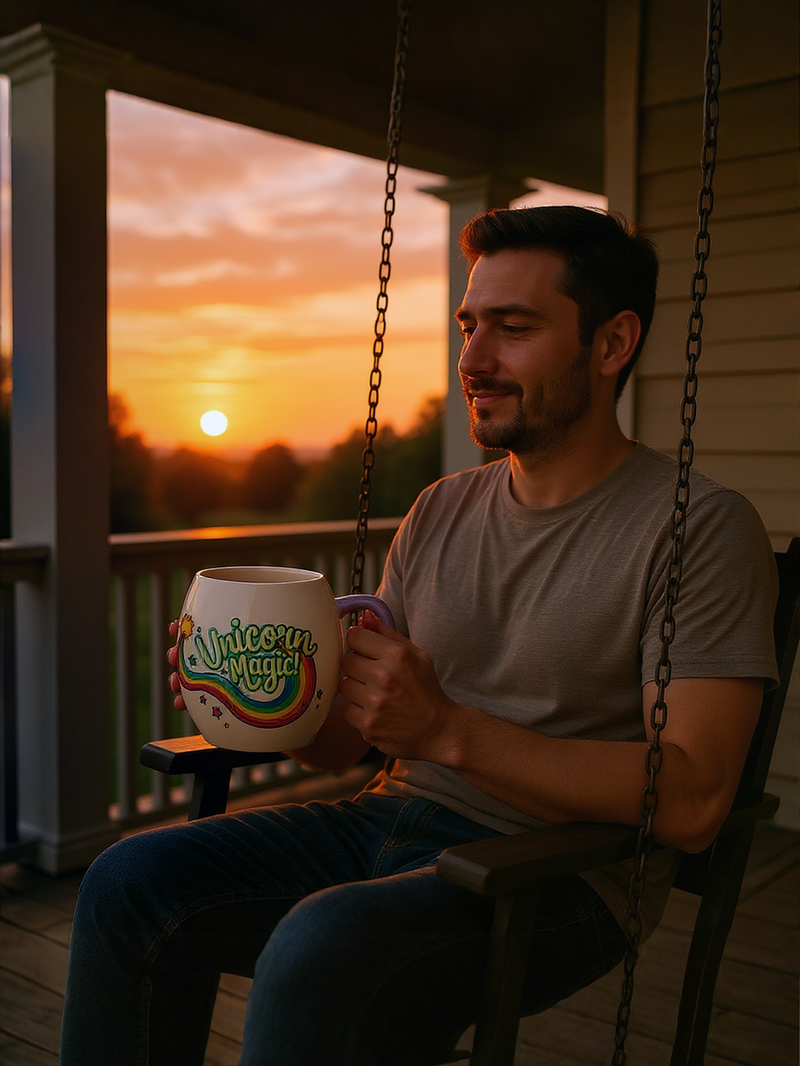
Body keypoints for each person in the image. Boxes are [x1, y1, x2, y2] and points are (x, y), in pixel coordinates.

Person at [60, 206, 779, 1066]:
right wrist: (258, 701)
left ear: (613, 343)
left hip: (557, 877)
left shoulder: (700, 529)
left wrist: (447, 731)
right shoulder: (442, 509)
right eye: (469, 327)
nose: (472, 361)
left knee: (323, 949)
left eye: (513, 329)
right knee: (127, 882)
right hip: (390, 822)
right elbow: (351, 747)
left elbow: (695, 800)